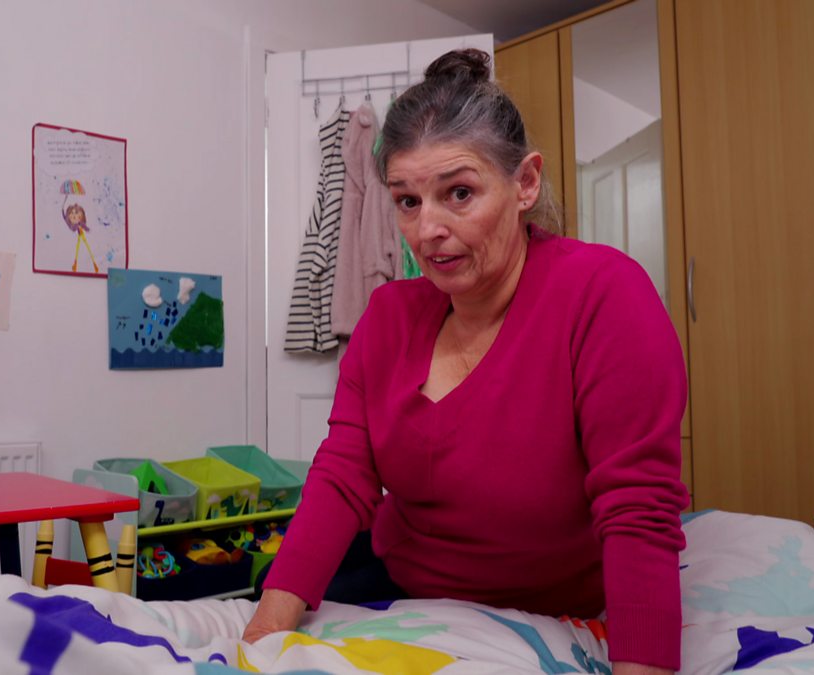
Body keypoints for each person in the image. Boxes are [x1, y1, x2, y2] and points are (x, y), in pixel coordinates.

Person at [243, 48, 688, 675]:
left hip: (553, 605)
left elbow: (637, 506)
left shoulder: (603, 296)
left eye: (458, 193)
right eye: (407, 201)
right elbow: (344, 474)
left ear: (525, 183)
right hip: (402, 581)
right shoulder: (388, 316)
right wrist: (261, 638)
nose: (428, 230)